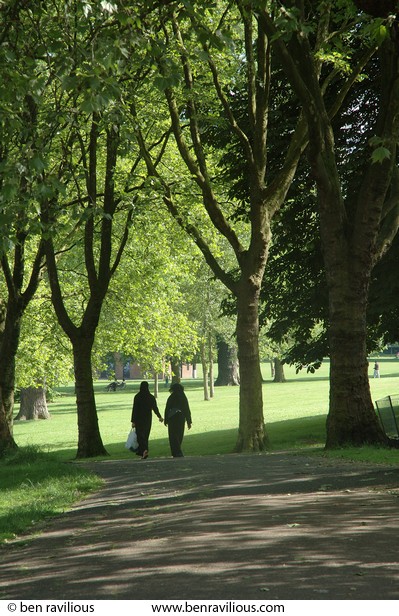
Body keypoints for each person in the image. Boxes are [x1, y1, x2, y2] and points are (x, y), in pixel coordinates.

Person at [131, 381, 163, 459]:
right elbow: (155, 408)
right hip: (147, 419)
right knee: (145, 435)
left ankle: (143, 451)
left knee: (140, 436)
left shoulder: (137, 396)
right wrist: (159, 417)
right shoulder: (151, 397)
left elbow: (135, 409)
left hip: (139, 419)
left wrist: (133, 421)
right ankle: (145, 451)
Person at [164, 382, 192, 457]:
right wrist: (189, 421)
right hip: (181, 418)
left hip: (172, 418)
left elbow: (167, 409)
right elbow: (187, 409)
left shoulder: (171, 397)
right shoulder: (183, 397)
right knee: (179, 435)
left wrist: (166, 419)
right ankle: (178, 450)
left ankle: (175, 451)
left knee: (173, 435)